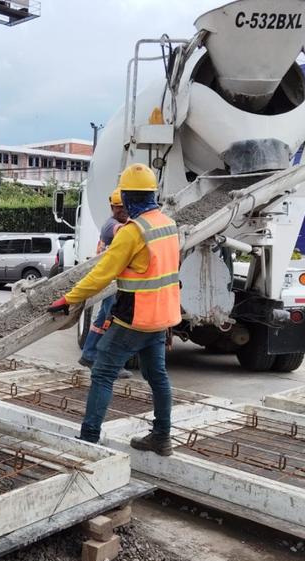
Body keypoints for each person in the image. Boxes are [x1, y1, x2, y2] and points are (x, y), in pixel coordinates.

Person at [47, 164, 180, 454]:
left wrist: (68, 299)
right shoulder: (168, 225)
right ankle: (161, 436)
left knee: (103, 372)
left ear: (131, 197)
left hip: (135, 319)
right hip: (161, 318)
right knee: (157, 376)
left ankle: (89, 440)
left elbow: (101, 275)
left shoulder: (133, 232)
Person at [79, 188, 130, 379]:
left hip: (113, 282)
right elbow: (124, 233)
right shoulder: (111, 225)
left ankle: (90, 354)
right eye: (118, 208)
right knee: (114, 322)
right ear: (112, 208)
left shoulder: (120, 222)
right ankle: (107, 362)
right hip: (111, 281)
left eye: (124, 207)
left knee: (103, 320)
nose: (122, 211)